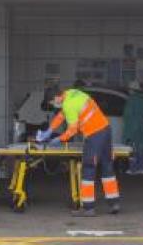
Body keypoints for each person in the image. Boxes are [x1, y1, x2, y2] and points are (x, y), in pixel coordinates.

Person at [37, 86, 119, 216]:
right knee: (107, 165)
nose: (53, 105)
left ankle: (88, 208)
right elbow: (61, 115)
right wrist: (50, 130)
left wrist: (58, 139)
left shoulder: (69, 105)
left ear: (57, 98)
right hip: (105, 129)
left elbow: (72, 130)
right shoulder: (71, 93)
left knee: (88, 168)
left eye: (52, 102)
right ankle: (114, 203)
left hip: (94, 134)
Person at [121, 81, 143, 175]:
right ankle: (141, 168)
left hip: (132, 126)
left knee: (131, 148)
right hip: (142, 126)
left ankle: (132, 169)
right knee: (141, 147)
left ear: (131, 90)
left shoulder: (131, 99)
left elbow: (127, 114)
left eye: (129, 89)